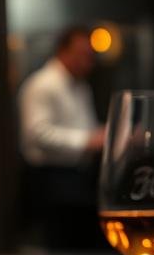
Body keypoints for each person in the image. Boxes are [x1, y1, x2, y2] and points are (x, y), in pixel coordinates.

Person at [18, 27, 105, 165]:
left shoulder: (81, 85)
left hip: (80, 169)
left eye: (90, 56)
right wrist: (87, 141)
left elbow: (85, 126)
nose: (87, 63)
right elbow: (38, 134)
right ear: (63, 51)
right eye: (82, 55)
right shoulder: (42, 83)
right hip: (51, 173)